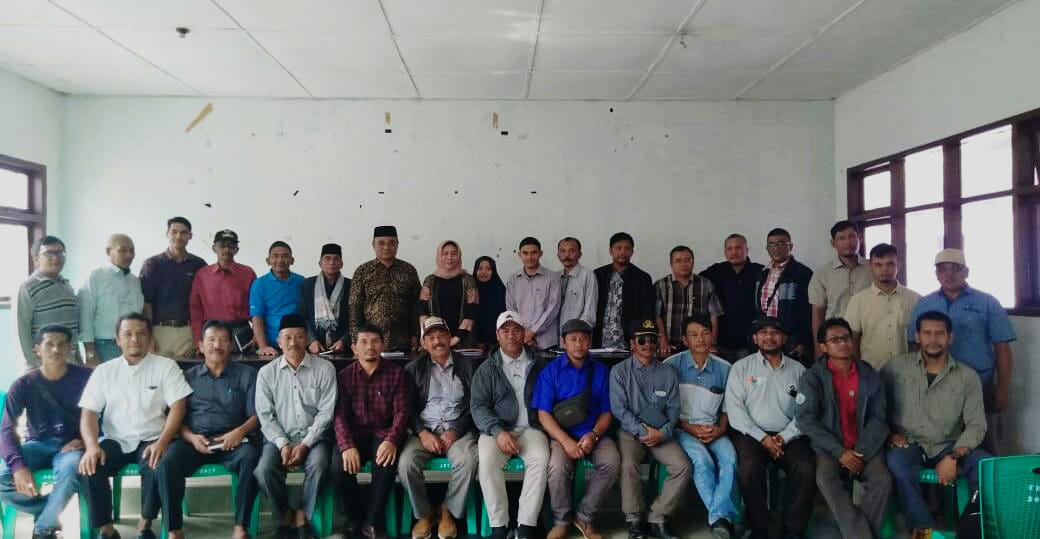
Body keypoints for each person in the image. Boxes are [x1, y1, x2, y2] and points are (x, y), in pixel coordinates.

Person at [77, 313, 193, 539]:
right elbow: (89, 412)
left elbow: (178, 406)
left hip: (153, 437)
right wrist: (91, 446)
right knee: (89, 466)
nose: (134, 339)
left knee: (158, 462)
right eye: (127, 334)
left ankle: (145, 525)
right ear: (117, 339)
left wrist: (163, 441)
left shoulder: (165, 366)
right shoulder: (104, 371)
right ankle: (107, 529)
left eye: (141, 334)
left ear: (150, 337)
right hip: (116, 439)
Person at [885, 311, 990, 539]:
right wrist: (889, 434)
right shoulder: (896, 368)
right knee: (897, 464)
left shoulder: (967, 376)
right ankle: (925, 533)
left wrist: (954, 455)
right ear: (917, 336)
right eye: (927, 333)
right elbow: (876, 407)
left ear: (950, 337)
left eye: (939, 334)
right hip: (908, 444)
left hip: (948, 445)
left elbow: (976, 424)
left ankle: (970, 532)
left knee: (985, 466)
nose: (933, 339)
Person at [156, 319, 261, 539]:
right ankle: (174, 530)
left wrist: (239, 432)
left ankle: (240, 528)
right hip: (195, 441)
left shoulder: (247, 374)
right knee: (167, 462)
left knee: (251, 457)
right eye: (211, 340)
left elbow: (256, 415)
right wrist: (191, 437)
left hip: (233, 441)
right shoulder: (187, 377)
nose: (217, 345)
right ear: (201, 346)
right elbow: (174, 418)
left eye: (223, 340)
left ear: (231, 345)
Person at [907, 248, 1015, 455]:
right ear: (936, 274)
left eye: (955, 269)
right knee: (939, 445)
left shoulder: (987, 303)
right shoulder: (924, 304)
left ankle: (985, 476)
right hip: (935, 386)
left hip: (980, 385)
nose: (949, 274)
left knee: (986, 444)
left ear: (966, 272)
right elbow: (914, 345)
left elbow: (1002, 349)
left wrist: (1003, 388)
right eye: (942, 269)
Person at [797, 318, 892, 539]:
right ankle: (862, 535)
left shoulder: (868, 374)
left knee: (882, 480)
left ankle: (856, 534)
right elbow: (806, 420)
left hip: (865, 447)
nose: (842, 343)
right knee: (825, 478)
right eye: (835, 340)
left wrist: (860, 453)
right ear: (823, 347)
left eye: (846, 338)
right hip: (831, 448)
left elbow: (879, 418)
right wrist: (840, 452)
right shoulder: (813, 377)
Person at [726, 317, 814, 539]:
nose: (769, 337)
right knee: (748, 468)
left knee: (805, 468)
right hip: (751, 434)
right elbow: (735, 411)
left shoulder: (799, 370)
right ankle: (760, 527)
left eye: (775, 332)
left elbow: (806, 412)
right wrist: (762, 437)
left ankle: (793, 529)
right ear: (755, 338)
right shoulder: (741, 368)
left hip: (789, 435)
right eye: (763, 332)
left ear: (784, 339)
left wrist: (784, 436)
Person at [0, 325, 91, 539]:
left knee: (71, 471)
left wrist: (85, 440)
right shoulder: (23, 384)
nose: (56, 349)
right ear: (37, 349)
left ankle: (43, 528)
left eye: (61, 344)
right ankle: (49, 511)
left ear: (70, 348)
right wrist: (18, 466)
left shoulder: (87, 377)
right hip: (38, 444)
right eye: (49, 344)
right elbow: (6, 429)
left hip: (72, 446)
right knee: (2, 476)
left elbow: (105, 415)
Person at [254, 314, 337, 539]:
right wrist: (283, 444)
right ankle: (284, 515)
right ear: (279, 341)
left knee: (320, 465)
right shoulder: (266, 373)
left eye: (299, 336)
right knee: (263, 470)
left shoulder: (325, 369)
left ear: (307, 339)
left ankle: (303, 514)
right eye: (287, 337)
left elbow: (326, 413)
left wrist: (305, 444)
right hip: (279, 438)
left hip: (315, 438)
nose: (293, 342)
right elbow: (265, 416)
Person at [533, 319, 618, 539]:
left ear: (590, 341)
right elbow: (543, 414)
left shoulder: (601, 370)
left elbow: (607, 412)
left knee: (611, 462)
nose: (579, 344)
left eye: (583, 339)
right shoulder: (551, 371)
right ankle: (561, 521)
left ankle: (584, 516)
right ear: (563, 342)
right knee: (557, 466)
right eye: (573, 339)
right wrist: (566, 441)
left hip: (594, 433)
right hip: (562, 435)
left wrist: (594, 435)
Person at [470, 311, 549, 539]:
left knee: (541, 458)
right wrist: (498, 432)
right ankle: (499, 526)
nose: (511, 335)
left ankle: (525, 525)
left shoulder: (539, 364)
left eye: (516, 330)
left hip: (531, 428)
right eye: (505, 331)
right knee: (487, 460)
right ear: (497, 335)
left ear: (524, 334)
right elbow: (478, 406)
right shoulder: (487, 368)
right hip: (496, 430)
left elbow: (550, 399)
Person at [609, 318, 690, 539]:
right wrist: (643, 432)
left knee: (682, 466)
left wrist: (662, 433)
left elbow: (674, 409)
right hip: (631, 432)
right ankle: (634, 519)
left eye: (653, 339)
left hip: (661, 432)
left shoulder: (668, 372)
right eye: (642, 340)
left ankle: (657, 516)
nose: (648, 344)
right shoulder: (619, 371)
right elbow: (619, 409)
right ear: (632, 344)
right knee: (628, 464)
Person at [400, 317, 478, 539]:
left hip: (457, 430)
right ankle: (424, 513)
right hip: (424, 431)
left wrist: (455, 430)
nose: (437, 341)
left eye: (442, 335)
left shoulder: (468, 365)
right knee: (406, 464)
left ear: (450, 337)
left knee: (468, 461)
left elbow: (476, 405)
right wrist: (422, 433)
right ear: (423, 343)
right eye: (431, 337)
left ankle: (447, 510)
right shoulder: (413, 368)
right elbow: (406, 408)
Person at [330, 323, 409, 539]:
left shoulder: (396, 374)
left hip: (383, 434)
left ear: (382, 345)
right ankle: (355, 517)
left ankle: (372, 523)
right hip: (355, 434)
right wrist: (346, 446)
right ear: (354, 348)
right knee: (338, 466)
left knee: (386, 462)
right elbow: (338, 415)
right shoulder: (344, 376)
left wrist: (392, 440)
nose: (370, 347)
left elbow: (402, 413)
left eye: (375, 341)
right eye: (363, 342)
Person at [663, 314, 736, 539]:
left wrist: (720, 429)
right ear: (685, 340)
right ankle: (721, 518)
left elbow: (728, 408)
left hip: (714, 429)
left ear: (712, 336)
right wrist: (689, 428)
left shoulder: (725, 369)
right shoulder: (671, 366)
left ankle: (719, 516)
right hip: (682, 430)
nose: (700, 339)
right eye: (694, 335)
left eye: (705, 333)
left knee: (730, 459)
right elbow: (665, 410)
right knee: (702, 461)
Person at [844, 243, 920, 369]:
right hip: (871, 372)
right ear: (870, 266)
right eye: (878, 264)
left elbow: (919, 341)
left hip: (907, 373)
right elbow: (853, 339)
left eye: (890, 264)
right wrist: (859, 372)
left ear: (899, 265)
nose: (884, 269)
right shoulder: (858, 301)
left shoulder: (915, 299)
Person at [140, 217, 207, 359]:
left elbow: (203, 303)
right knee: (159, 372)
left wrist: (198, 337)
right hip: (159, 332)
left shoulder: (198, 264)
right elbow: (146, 303)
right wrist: (149, 336)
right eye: (174, 232)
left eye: (183, 233)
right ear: (167, 234)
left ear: (190, 236)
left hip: (188, 333)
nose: (178, 236)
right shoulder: (152, 265)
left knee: (188, 371)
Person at [349, 225, 422, 353]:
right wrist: (355, 340)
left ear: (397, 245)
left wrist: (416, 334)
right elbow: (354, 308)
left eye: (391, 243)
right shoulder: (362, 271)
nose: (386, 247)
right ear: (373, 245)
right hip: (370, 342)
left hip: (403, 340)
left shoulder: (408, 270)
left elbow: (416, 306)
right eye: (381, 243)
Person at [78, 234, 144, 364]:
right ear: (108, 251)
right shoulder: (95, 278)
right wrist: (90, 353)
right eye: (122, 250)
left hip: (133, 345)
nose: (129, 255)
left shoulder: (135, 281)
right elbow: (85, 317)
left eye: (132, 251)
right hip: (105, 346)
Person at [700, 234, 765, 362]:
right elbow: (695, 282)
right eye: (729, 249)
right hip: (721, 342)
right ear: (725, 252)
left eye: (738, 247)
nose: (734, 252)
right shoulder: (716, 271)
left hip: (750, 342)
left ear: (747, 250)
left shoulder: (760, 272)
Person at [17, 236, 79, 367]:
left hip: (69, 361)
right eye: (49, 253)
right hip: (43, 363)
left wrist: (78, 359)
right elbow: (21, 330)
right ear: (36, 259)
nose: (56, 258)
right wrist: (32, 366)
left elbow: (72, 328)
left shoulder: (67, 285)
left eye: (60, 253)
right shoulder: (27, 287)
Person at [754, 228, 813, 363]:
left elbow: (807, 311)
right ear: (767, 248)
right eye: (772, 244)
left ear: (790, 246)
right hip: (767, 338)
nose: (776, 248)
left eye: (781, 244)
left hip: (792, 340)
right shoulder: (762, 273)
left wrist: (803, 341)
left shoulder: (802, 273)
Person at [189, 229, 257, 347]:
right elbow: (195, 309)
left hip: (240, 333)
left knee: (244, 360)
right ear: (214, 248)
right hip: (212, 333)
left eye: (231, 246)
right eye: (222, 246)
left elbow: (256, 307)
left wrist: (257, 335)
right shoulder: (202, 275)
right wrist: (198, 339)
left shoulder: (248, 273)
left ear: (237, 249)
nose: (226, 250)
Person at [808, 221, 872, 344]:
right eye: (841, 238)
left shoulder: (873, 268)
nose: (848, 242)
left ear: (860, 239)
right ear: (833, 243)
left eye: (851, 236)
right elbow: (817, 314)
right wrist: (819, 347)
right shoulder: (822, 274)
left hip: (869, 336)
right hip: (836, 340)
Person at [654, 246, 723, 356]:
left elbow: (714, 317)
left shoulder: (706, 285)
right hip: (669, 346)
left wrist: (711, 342)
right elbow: (657, 316)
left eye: (687, 260)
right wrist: (663, 341)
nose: (683, 264)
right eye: (678, 261)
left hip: (699, 345)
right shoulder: (660, 286)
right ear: (671, 264)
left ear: (693, 262)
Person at [594, 232, 654, 349]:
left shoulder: (642, 278)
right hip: (599, 341)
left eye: (627, 248)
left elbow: (646, 313)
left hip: (629, 343)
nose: (622, 252)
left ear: (632, 252)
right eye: (618, 248)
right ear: (610, 251)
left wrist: (639, 340)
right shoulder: (598, 275)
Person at [419, 241, 479, 348]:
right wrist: (426, 336)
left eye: (454, 253)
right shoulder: (430, 280)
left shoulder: (468, 280)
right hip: (436, 342)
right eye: (445, 253)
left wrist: (456, 339)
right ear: (439, 256)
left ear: (459, 256)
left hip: (463, 340)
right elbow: (423, 310)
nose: (449, 257)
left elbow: (472, 310)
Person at [250, 241, 305, 356]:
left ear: (292, 260)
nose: (280, 260)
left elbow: (307, 314)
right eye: (275, 256)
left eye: (285, 256)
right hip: (272, 346)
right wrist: (263, 347)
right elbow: (257, 317)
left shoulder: (302, 282)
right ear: (268, 260)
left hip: (298, 344)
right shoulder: (259, 284)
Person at [505, 237, 561, 350]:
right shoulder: (513, 280)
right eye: (525, 253)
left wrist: (533, 332)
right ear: (519, 255)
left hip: (546, 342)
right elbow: (511, 309)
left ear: (540, 253)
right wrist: (522, 333)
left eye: (534, 253)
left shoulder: (552, 278)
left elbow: (553, 309)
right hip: (521, 340)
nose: (529, 257)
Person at [299, 243, 351, 354]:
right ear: (320, 263)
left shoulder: (351, 285)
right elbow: (302, 317)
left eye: (336, 259)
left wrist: (344, 341)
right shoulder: (307, 285)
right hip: (314, 347)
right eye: (327, 258)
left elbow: (355, 318)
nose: (331, 262)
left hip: (343, 347)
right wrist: (311, 340)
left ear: (341, 264)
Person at [556, 237, 597, 332]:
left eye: (572, 251)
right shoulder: (555, 277)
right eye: (563, 251)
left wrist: (575, 332)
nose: (567, 255)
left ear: (579, 254)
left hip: (577, 334)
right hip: (555, 335)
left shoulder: (588, 275)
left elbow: (589, 313)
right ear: (558, 255)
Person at [473, 256, 507, 351]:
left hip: (496, 342)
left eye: (488, 269)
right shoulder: (470, 291)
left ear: (493, 271)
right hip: (472, 344)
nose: (484, 272)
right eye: (480, 269)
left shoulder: (501, 291)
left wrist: (489, 342)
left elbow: (502, 318)